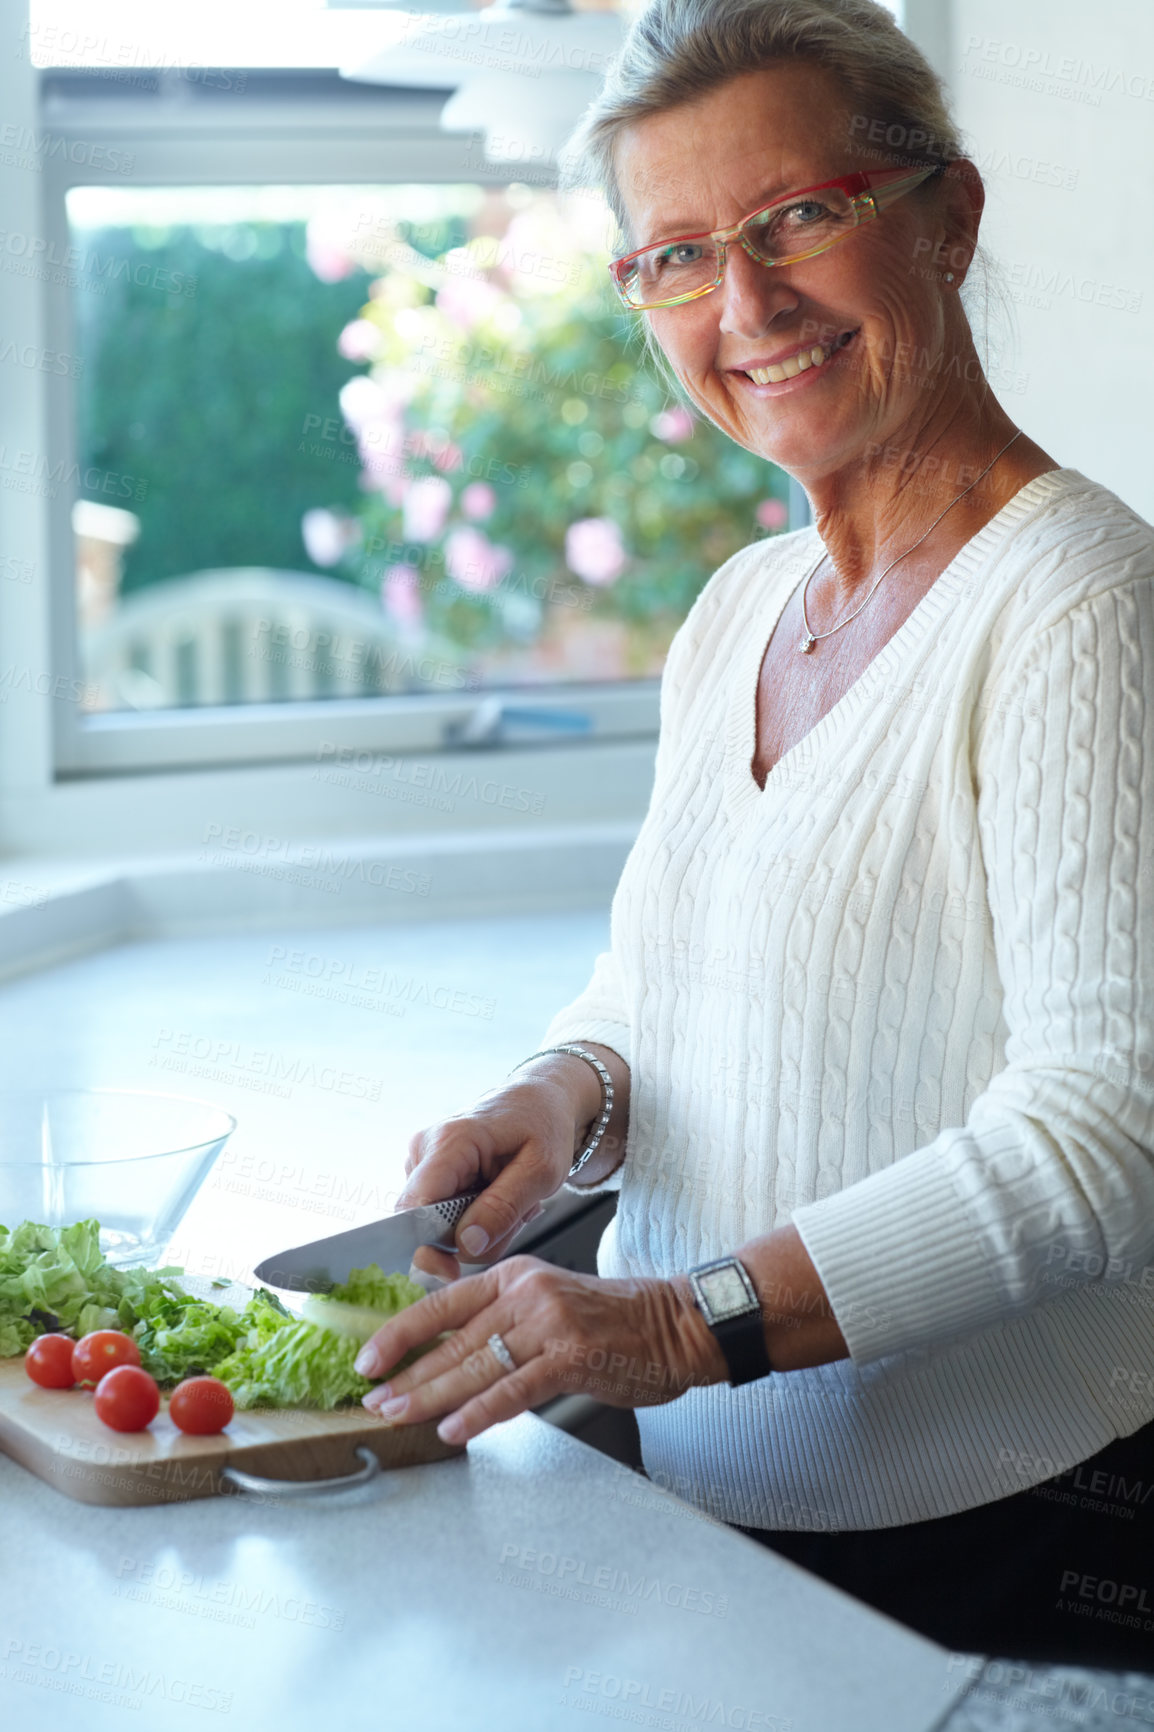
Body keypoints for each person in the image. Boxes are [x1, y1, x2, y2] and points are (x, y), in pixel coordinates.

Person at [354, 0, 1154, 1666]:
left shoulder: (1078, 599)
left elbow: (1104, 1140)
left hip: (1006, 1532)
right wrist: (559, 1094)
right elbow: (660, 985)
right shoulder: (737, 610)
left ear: (947, 213)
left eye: (799, 216)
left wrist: (677, 1321)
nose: (747, 303)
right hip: (712, 1503)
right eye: (676, 256)